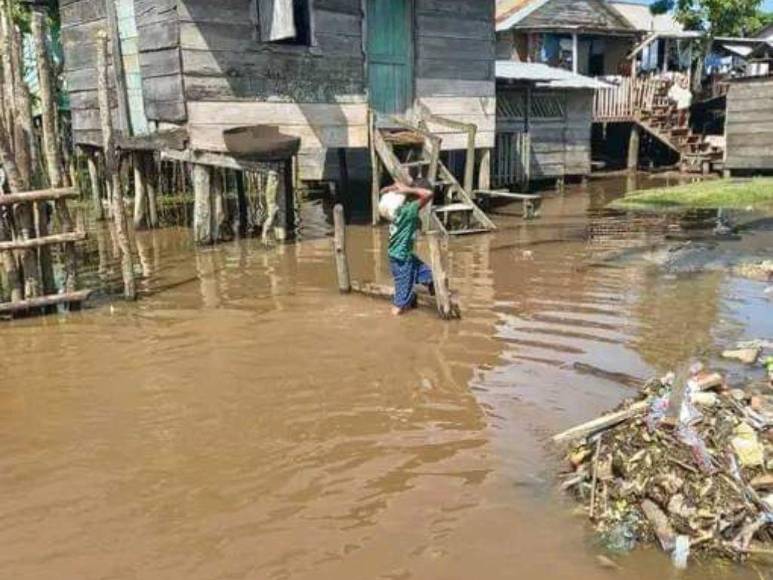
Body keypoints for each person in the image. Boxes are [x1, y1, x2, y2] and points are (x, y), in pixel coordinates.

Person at [381, 178, 435, 316]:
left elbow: (382, 191)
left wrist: (394, 188)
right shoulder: (410, 210)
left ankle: (433, 289)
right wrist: (408, 189)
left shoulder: (400, 209)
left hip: (399, 256)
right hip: (402, 260)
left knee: (427, 274)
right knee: (399, 304)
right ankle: (393, 325)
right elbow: (428, 194)